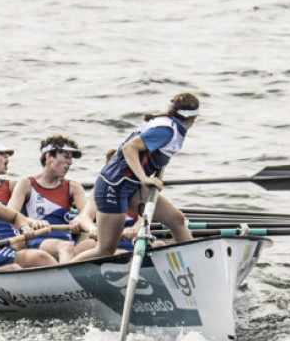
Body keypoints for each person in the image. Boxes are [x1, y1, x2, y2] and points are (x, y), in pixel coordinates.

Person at [73, 92, 199, 263]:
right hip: (114, 186)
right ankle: (63, 277)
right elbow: (129, 148)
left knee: (177, 219)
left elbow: (154, 153)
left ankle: (194, 264)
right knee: (105, 249)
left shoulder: (169, 124)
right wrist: (144, 178)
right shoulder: (166, 130)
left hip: (130, 186)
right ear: (193, 119)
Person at [7, 135, 92, 263]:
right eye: (66, 156)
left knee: (95, 244)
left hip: (67, 243)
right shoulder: (26, 184)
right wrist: (32, 222)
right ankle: (66, 281)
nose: (70, 162)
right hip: (37, 241)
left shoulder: (73, 186)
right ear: (48, 156)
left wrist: (78, 219)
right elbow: (10, 215)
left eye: (71, 158)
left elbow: (87, 215)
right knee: (66, 247)